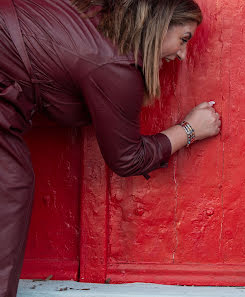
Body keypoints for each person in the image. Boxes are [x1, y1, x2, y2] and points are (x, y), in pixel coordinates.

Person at [0, 0, 221, 296]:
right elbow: (127, 157)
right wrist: (190, 130)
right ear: (159, 25)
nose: (182, 54)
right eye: (183, 39)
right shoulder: (116, 65)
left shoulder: (104, 22)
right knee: (11, 183)